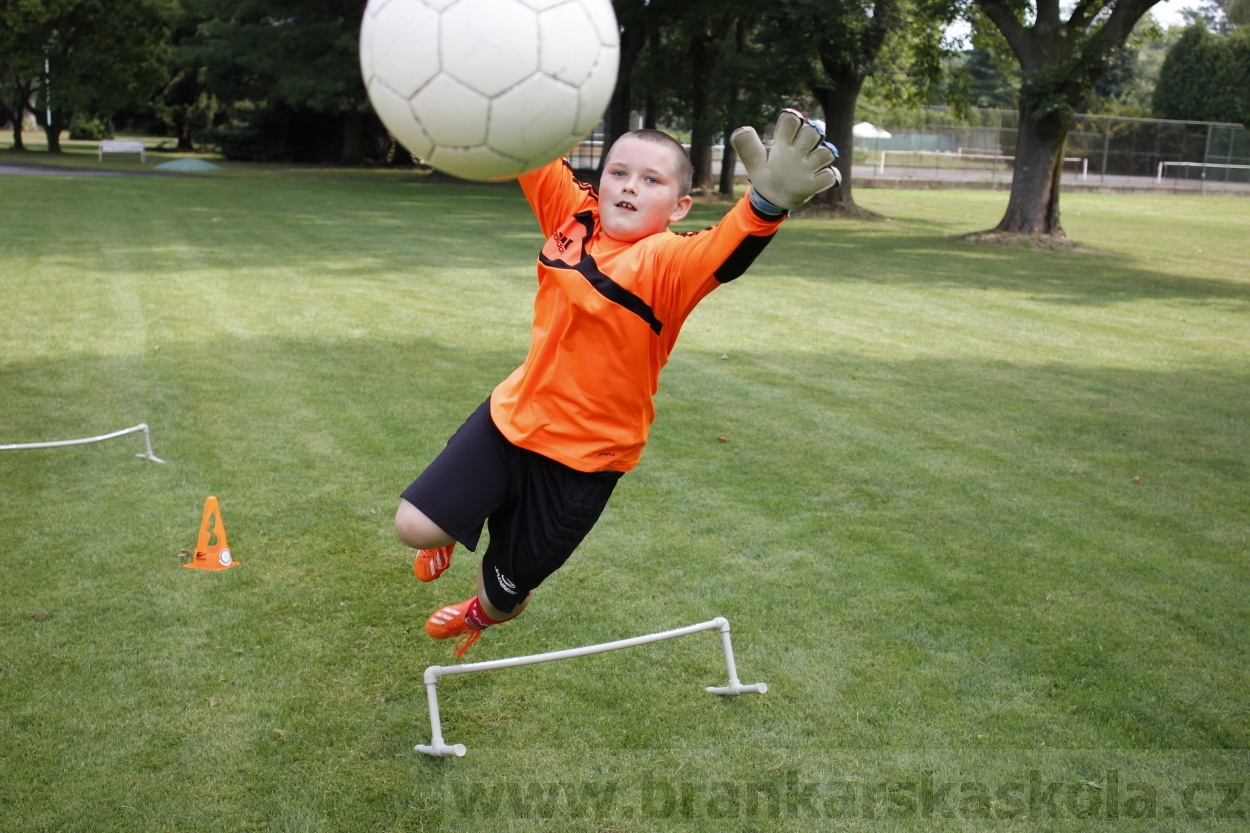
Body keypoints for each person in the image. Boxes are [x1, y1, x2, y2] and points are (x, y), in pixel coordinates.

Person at [394, 110, 839, 657]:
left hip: (584, 461)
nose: (630, 186)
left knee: (504, 598)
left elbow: (727, 245)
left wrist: (765, 205)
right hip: (511, 419)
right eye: (618, 173)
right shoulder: (573, 215)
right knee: (415, 526)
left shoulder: (669, 263)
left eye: (652, 181)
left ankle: (480, 612)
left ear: (678, 207)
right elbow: (529, 147)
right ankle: (448, 527)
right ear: (599, 180)